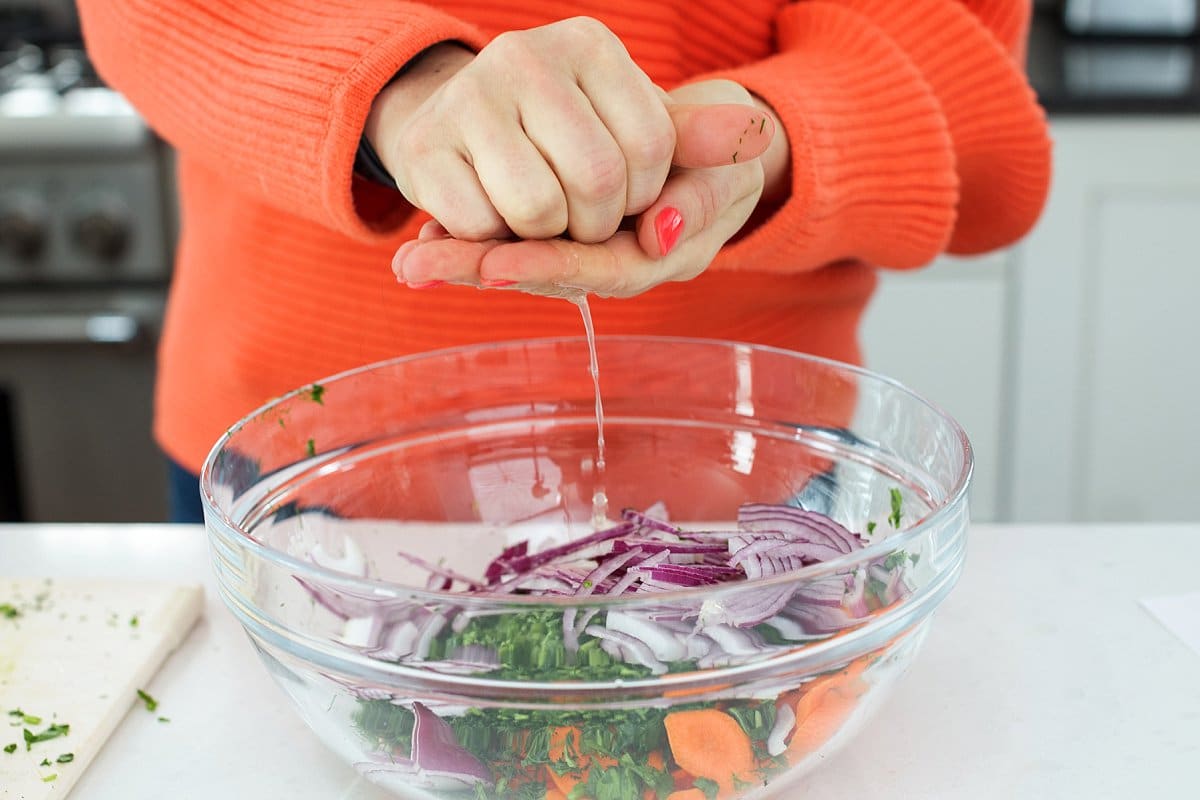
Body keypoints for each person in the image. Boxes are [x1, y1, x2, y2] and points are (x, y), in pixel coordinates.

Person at [75, 0, 1052, 523]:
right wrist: (395, 91)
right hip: (293, 473)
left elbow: (978, 119)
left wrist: (764, 139)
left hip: (746, 485)